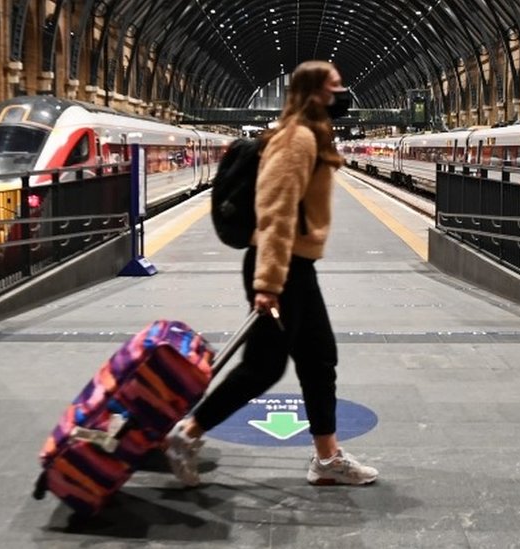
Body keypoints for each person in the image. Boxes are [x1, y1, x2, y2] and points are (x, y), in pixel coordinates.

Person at [165, 60, 379, 486]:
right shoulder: (296, 138)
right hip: (281, 270)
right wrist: (268, 285)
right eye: (336, 86)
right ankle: (187, 433)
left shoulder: (313, 134)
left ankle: (326, 458)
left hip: (296, 267)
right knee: (263, 367)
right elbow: (276, 213)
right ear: (315, 92)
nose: (344, 94)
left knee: (319, 360)